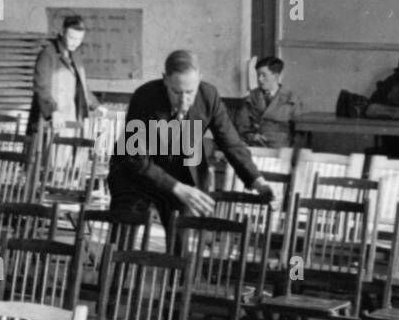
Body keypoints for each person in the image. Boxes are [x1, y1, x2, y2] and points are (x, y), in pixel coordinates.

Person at [109, 50, 274, 226]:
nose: (183, 101)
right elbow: (134, 157)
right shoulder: (144, 96)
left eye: (190, 92)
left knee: (180, 246)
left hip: (183, 175)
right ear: (165, 79)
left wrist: (259, 182)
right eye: (176, 92)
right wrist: (176, 187)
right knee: (121, 243)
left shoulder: (208, 96)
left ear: (199, 79)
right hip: (137, 177)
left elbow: (231, 144)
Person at [29, 14, 100, 135]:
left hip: (71, 117)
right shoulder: (47, 54)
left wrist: (95, 105)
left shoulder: (75, 55)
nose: (75, 42)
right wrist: (53, 111)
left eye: (79, 39)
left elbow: (82, 85)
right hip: (53, 119)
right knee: (51, 152)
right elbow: (41, 87)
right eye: (72, 38)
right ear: (62, 32)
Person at [235, 56, 299, 148]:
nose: (260, 79)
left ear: (276, 75)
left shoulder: (291, 99)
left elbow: (299, 132)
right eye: (258, 75)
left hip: (281, 148)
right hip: (255, 146)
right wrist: (252, 136)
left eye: (264, 75)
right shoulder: (251, 98)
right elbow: (241, 126)